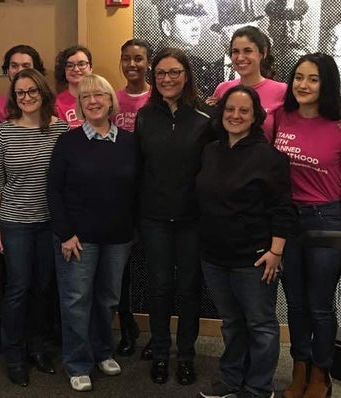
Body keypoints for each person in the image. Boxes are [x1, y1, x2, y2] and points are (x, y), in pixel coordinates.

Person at [196, 85, 295, 398]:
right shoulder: (211, 150)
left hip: (254, 259)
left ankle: (258, 387)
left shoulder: (270, 158)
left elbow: (283, 209)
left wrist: (276, 251)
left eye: (243, 111)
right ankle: (231, 379)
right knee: (231, 323)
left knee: (261, 326)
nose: (235, 116)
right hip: (214, 256)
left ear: (256, 117)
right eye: (229, 109)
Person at [48, 74, 136, 392]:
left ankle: (102, 351)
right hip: (78, 239)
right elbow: (54, 191)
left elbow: (136, 188)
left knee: (107, 300)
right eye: (86, 97)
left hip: (118, 237)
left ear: (111, 101)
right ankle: (78, 362)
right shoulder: (68, 142)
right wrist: (65, 233)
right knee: (75, 301)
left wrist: (132, 230)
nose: (94, 101)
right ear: (80, 105)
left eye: (99, 95)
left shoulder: (128, 141)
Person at [135, 47, 213, 386]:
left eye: (175, 72)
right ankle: (162, 352)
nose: (167, 79)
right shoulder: (144, 116)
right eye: (162, 73)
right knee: (159, 287)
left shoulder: (205, 118)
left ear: (187, 76)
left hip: (191, 220)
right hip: (153, 219)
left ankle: (186, 355)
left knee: (189, 288)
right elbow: (138, 169)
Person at [273, 53, 341, 398]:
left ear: (327, 84)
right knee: (295, 303)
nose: (303, 85)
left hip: (326, 218)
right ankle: (299, 367)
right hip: (288, 219)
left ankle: (322, 371)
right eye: (299, 77)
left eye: (313, 79)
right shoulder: (280, 117)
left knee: (320, 303)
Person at [0, 68, 68, 387]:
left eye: (32, 91)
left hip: (49, 222)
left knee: (43, 289)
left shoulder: (61, 130)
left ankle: (38, 347)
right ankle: (13, 355)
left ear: (43, 93)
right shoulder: (2, 133)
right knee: (18, 288)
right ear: (14, 97)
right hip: (15, 222)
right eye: (20, 93)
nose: (27, 97)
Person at [112, 38, 152, 357]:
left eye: (139, 58)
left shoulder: (157, 98)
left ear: (148, 62)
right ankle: (127, 326)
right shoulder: (113, 99)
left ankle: (158, 331)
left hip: (151, 193)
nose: (132, 64)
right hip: (120, 194)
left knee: (153, 268)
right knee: (121, 268)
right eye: (127, 59)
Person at [209, 25, 287, 142]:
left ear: (263, 53)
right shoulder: (223, 89)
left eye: (248, 51)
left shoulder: (281, 91)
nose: (240, 58)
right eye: (235, 51)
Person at [153, 0, 224, 97]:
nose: (196, 27)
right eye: (187, 22)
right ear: (167, 27)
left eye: (197, 20)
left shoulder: (200, 65)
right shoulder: (151, 65)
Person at [0, 44, 46, 122]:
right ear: (7, 70)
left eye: (26, 66)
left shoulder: (51, 105)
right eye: (14, 66)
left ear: (36, 70)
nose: (20, 70)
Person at [264, 0, 310, 82]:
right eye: (280, 24)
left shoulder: (307, 58)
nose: (286, 30)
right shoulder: (264, 57)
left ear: (300, 28)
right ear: (270, 28)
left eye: (292, 24)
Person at [54, 45, 93, 128]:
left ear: (90, 68)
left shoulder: (101, 99)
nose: (76, 69)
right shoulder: (56, 104)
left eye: (81, 64)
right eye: (70, 65)